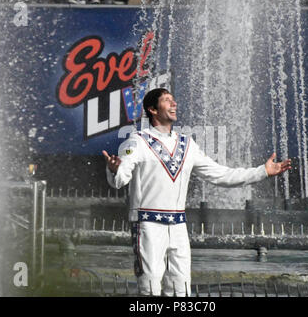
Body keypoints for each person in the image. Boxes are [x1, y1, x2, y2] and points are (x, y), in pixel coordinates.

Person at [103, 88, 291, 296]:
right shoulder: (138, 141)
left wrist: (262, 171)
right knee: (149, 288)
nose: (174, 104)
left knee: (180, 289)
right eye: (167, 101)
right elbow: (121, 179)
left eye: (174, 100)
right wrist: (115, 170)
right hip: (148, 224)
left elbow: (220, 175)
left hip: (178, 226)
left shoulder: (187, 144)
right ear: (153, 110)